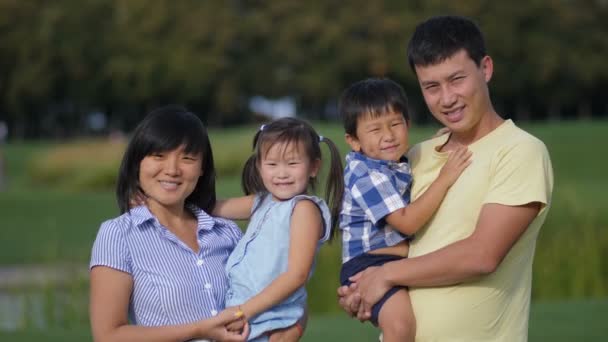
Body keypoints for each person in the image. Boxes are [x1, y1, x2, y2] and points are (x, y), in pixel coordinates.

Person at [338, 15, 554, 341]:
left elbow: (482, 255)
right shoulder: (413, 157)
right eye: (431, 87)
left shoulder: (520, 151)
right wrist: (362, 291)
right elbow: (394, 243)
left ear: (486, 69)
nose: (447, 98)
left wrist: (384, 275)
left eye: (456, 79)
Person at [89, 106, 299, 342]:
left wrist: (292, 330)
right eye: (158, 156)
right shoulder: (118, 234)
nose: (172, 170)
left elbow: (281, 295)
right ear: (137, 163)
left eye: (187, 158)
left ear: (202, 169)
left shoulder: (227, 232)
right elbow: (108, 335)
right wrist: (199, 330)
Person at [337, 78, 471, 342]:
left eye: (396, 124)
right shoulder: (365, 174)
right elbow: (407, 223)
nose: (388, 135)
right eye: (375, 129)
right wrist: (445, 178)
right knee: (401, 327)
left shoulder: (394, 163)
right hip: (369, 263)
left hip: (395, 261)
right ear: (354, 141)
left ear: (408, 124)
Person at [212, 117, 344, 341]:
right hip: (243, 314)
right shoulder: (262, 202)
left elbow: (296, 275)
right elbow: (215, 207)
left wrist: (243, 312)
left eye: (292, 164)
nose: (282, 173)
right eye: (272, 164)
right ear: (259, 166)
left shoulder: (303, 209)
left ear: (314, 167)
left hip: (267, 319)